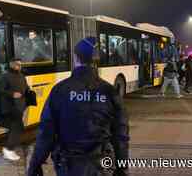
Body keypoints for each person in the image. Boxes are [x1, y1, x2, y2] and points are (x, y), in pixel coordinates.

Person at [28, 37, 129, 176]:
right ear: (96, 60)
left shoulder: (60, 90)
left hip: (67, 165)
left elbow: (46, 132)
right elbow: (121, 134)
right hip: (101, 164)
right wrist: (122, 167)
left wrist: (36, 164)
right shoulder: (110, 91)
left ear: (75, 58)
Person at [0, 58, 29, 161]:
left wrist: (29, 94)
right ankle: (8, 149)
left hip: (19, 106)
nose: (19, 66)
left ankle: (9, 149)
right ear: (11, 65)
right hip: (9, 106)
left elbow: (25, 88)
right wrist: (11, 94)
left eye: (20, 64)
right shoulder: (5, 76)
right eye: (16, 64)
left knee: (16, 127)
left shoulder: (21, 76)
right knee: (18, 126)